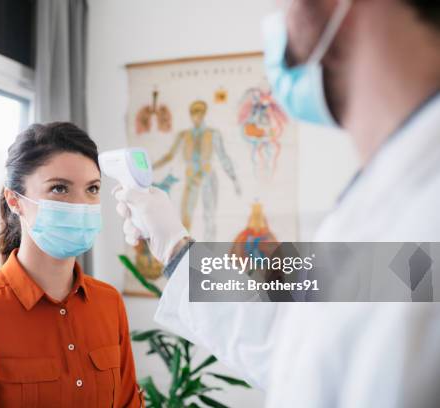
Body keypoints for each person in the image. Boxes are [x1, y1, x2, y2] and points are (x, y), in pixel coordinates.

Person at [114, 0, 440, 407]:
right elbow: (298, 342)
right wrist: (177, 249)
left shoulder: (424, 210)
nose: (280, 16)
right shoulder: (395, 197)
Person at [0, 123, 143, 407]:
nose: (81, 205)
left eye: (92, 188)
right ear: (14, 200)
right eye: (59, 188)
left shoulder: (109, 303)